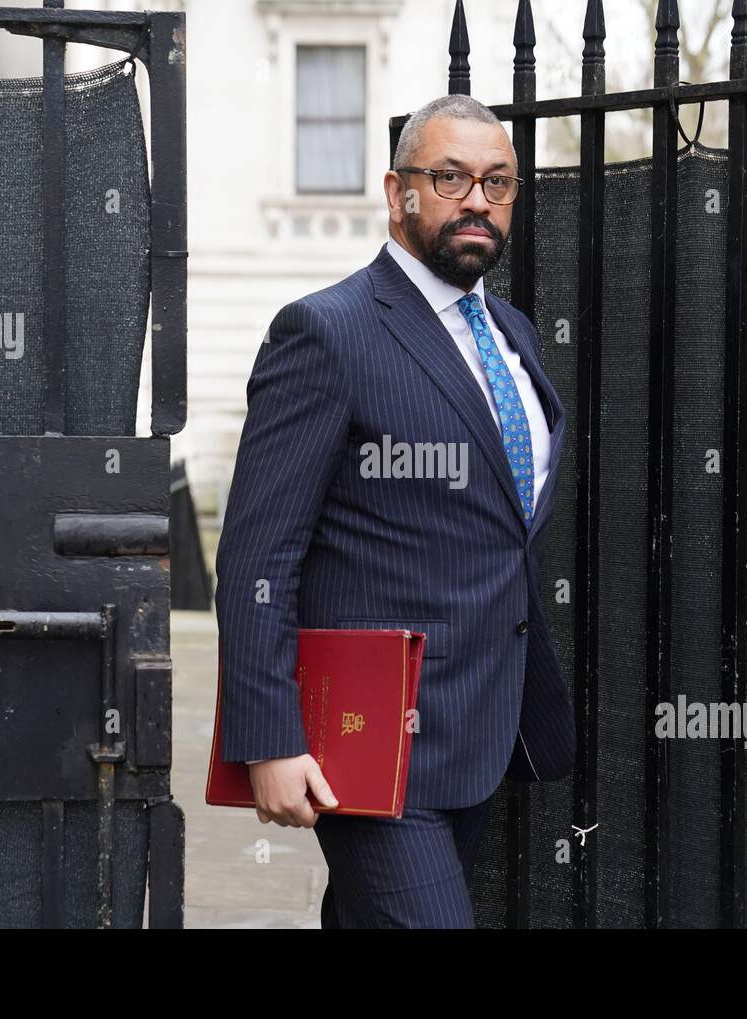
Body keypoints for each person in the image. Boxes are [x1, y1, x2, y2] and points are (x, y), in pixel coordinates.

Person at [213, 93, 575, 928]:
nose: (477, 199)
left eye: (499, 182)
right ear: (396, 191)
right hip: (368, 744)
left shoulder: (515, 334)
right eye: (448, 177)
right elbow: (258, 555)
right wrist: (267, 736)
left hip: (485, 730)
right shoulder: (328, 332)